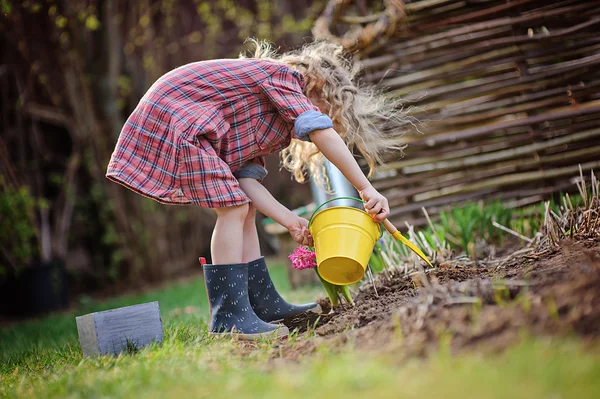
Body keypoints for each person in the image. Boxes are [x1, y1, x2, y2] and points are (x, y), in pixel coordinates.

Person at [106, 40, 407, 340]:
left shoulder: (260, 113)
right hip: (175, 115)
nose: (325, 125)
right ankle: (229, 318)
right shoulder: (285, 78)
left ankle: (264, 305)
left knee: (243, 206)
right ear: (319, 87)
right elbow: (321, 131)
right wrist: (366, 188)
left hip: (186, 120)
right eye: (329, 113)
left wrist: (289, 220)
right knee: (233, 209)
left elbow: (246, 183)